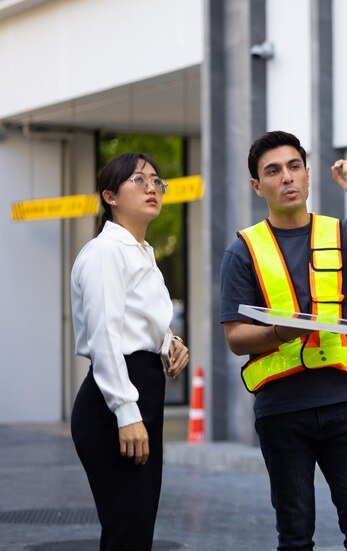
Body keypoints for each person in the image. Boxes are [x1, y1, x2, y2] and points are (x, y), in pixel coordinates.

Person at [220, 130, 347, 551]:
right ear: (258, 186)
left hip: (345, 403)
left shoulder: (341, 232)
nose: (286, 177)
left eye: (294, 167)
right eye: (273, 171)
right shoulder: (243, 251)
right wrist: (276, 333)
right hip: (281, 410)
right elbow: (236, 337)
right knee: (295, 537)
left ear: (308, 175)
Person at [70, 153, 190, 551]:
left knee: (136, 531)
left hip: (140, 391)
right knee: (127, 532)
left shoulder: (141, 252)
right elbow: (105, 337)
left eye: (157, 181)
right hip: (115, 401)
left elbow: (137, 321)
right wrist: (125, 412)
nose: (152, 188)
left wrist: (170, 342)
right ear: (110, 196)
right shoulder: (106, 252)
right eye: (139, 181)